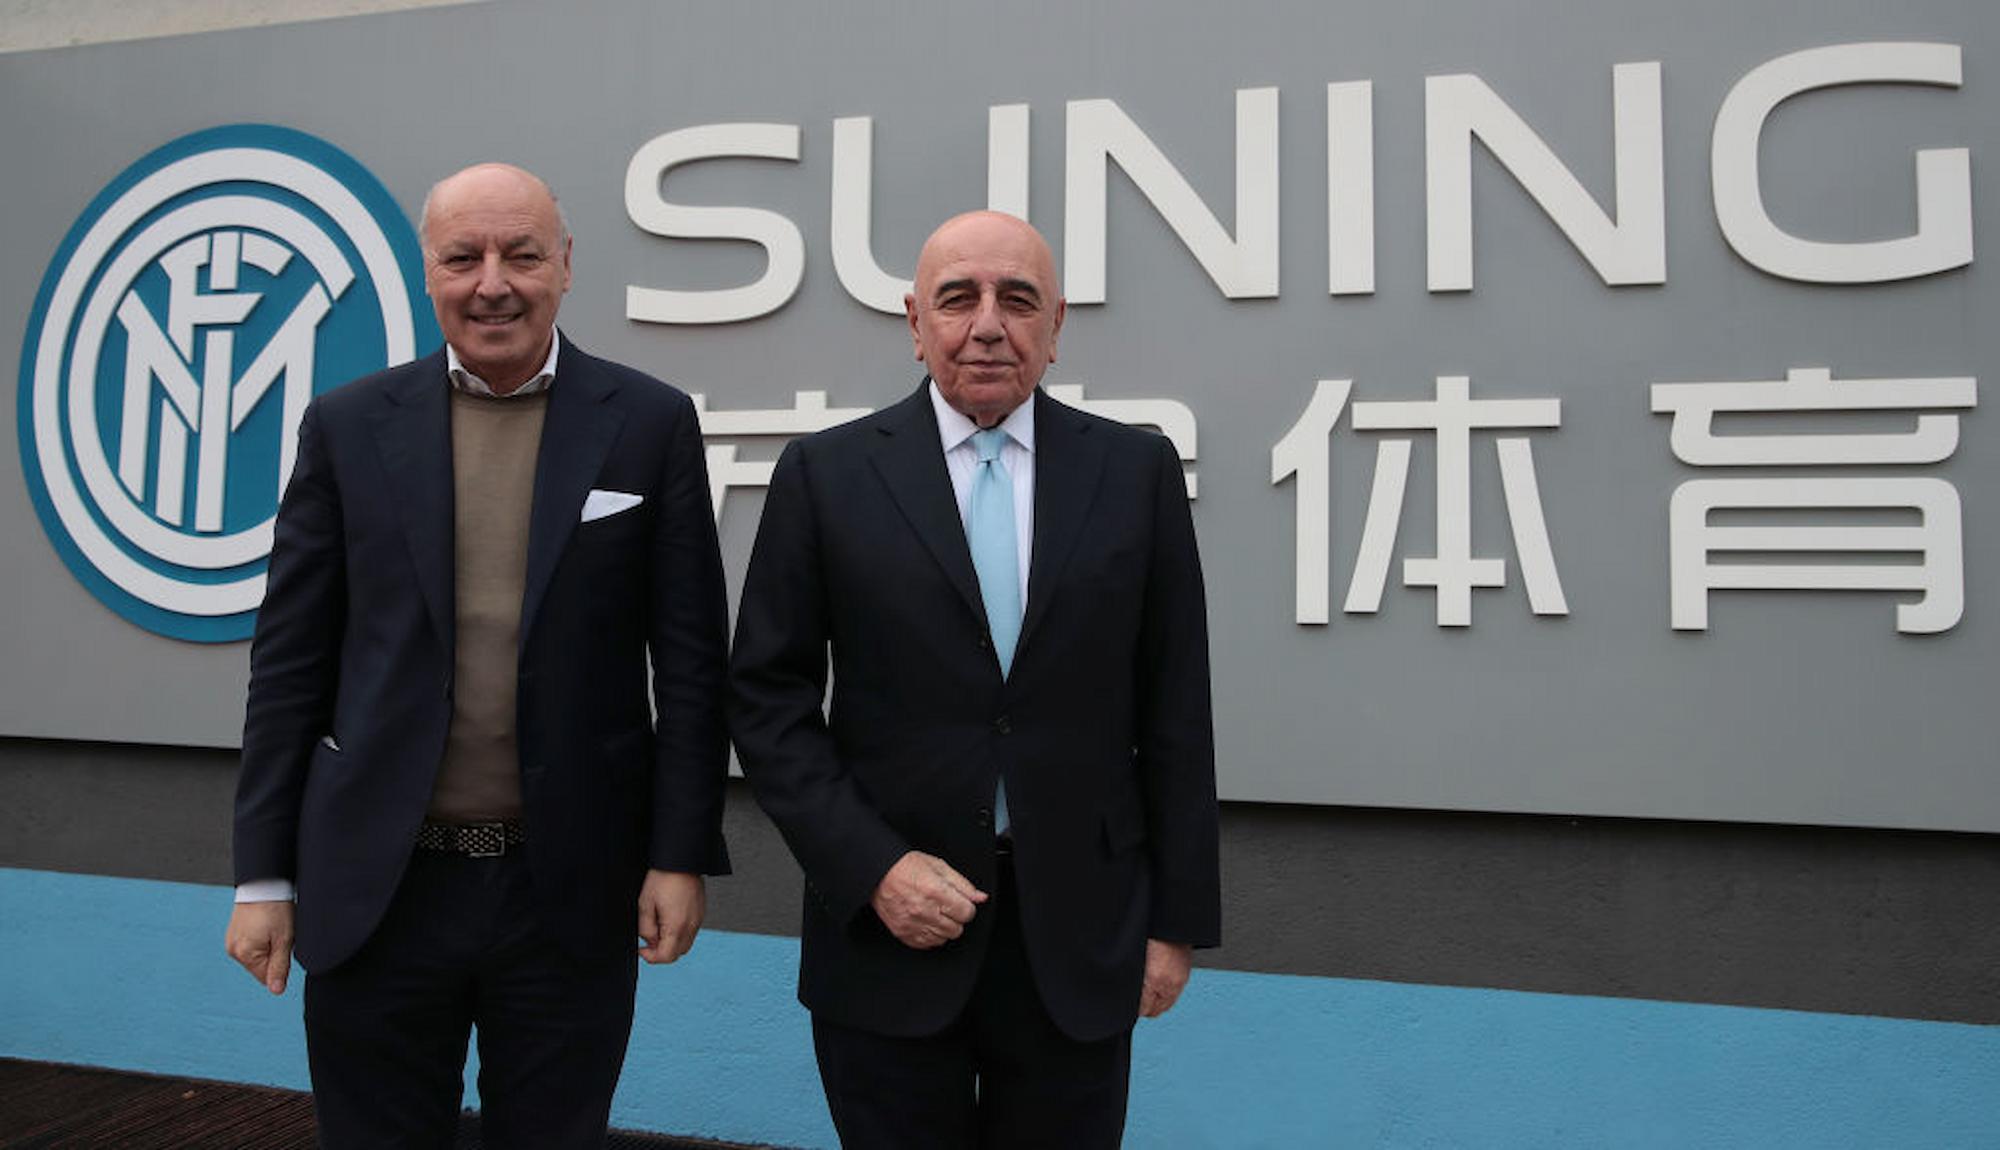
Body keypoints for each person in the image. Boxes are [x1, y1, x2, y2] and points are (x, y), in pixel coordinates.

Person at [223, 162, 731, 1149]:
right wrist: (261, 878)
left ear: (566, 265)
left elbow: (691, 664)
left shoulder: (649, 422)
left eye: (521, 255)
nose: (492, 283)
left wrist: (678, 854)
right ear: (429, 275)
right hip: (379, 885)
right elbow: (289, 666)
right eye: (463, 258)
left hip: (569, 887)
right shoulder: (347, 426)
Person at [729, 210, 1220, 1147]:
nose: (988, 325)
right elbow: (766, 700)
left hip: (1080, 939)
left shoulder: (1134, 471)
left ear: (1056, 324)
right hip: (890, 933)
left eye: (1018, 300)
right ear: (916, 324)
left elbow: (1175, 707)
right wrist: (873, 868)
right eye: (958, 299)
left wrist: (1175, 922)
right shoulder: (826, 474)